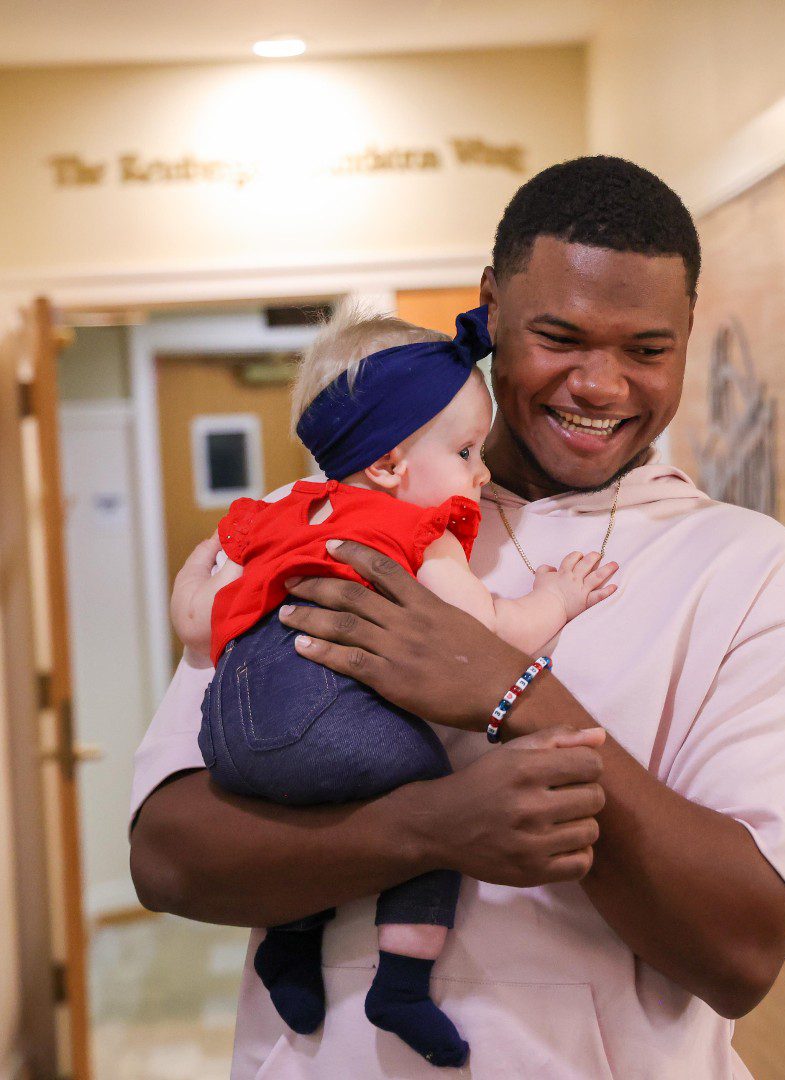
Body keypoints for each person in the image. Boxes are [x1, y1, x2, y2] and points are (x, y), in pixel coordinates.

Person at [130, 155, 785, 1078]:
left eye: (647, 349)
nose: (600, 385)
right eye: (560, 337)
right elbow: (168, 857)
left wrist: (512, 689)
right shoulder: (324, 525)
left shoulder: (755, 576)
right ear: (491, 312)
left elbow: (742, 954)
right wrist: (432, 828)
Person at [181, 303, 616, 1066]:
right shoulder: (416, 531)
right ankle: (404, 980)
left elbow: (195, 622)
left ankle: (290, 943)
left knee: (311, 812)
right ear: (388, 465)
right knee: (436, 803)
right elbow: (491, 629)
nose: (481, 472)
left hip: (226, 729)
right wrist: (561, 597)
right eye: (465, 450)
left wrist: (195, 570)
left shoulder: (282, 511)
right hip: (318, 715)